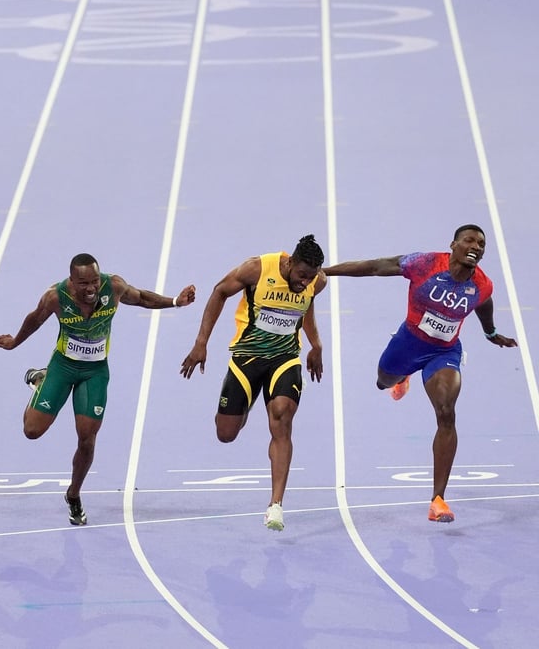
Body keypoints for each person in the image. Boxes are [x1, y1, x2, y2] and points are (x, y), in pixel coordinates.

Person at [323, 224, 517, 523]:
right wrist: (325, 271)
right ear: (453, 244)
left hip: (444, 352)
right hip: (408, 343)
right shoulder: (424, 264)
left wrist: (491, 332)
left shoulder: (481, 284)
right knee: (382, 381)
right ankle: (402, 378)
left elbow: (484, 303)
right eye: (469, 240)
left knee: (446, 412)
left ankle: (438, 499)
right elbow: (375, 267)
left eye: (481, 243)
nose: (476, 246)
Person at [0, 253, 196, 525]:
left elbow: (142, 298)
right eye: (83, 283)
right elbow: (35, 318)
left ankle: (74, 494)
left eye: (95, 281)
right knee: (32, 431)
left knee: (87, 438)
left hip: (95, 372)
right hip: (63, 367)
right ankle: (41, 380)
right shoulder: (55, 297)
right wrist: (15, 342)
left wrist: (175, 302)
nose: (91, 289)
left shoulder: (113, 287)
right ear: (72, 282)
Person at [181, 235, 327, 532]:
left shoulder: (316, 281)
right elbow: (220, 292)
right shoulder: (257, 269)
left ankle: (275, 505)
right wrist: (201, 343)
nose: (304, 282)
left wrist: (316, 345)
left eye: (310, 277)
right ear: (289, 263)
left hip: (285, 358)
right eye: (301, 275)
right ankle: (245, 404)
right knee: (226, 433)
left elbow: (306, 304)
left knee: (282, 418)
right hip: (247, 358)